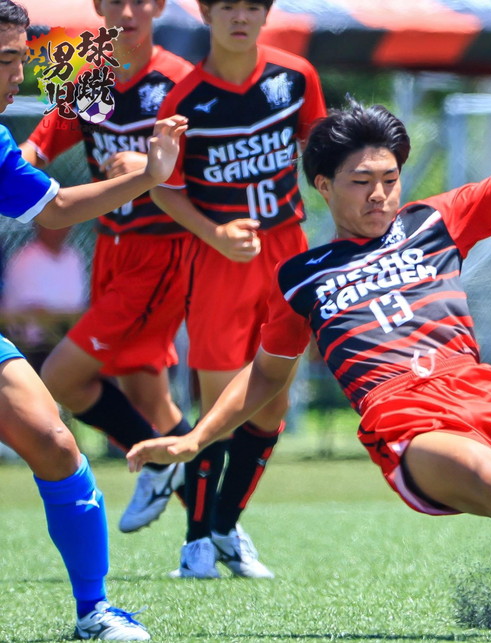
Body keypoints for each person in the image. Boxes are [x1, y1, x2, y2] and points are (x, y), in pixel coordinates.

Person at [129, 23, 491, 635]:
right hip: (405, 412)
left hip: (483, 390)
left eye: (389, 180)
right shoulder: (301, 276)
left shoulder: (436, 221)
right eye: (361, 182)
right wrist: (197, 438)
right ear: (323, 185)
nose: (380, 195)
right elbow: (264, 377)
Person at [0, 0, 187, 637]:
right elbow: (48, 140)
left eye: (20, 60)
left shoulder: (180, 80)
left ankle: (96, 609)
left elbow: (53, 207)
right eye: (6, 61)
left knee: (57, 437)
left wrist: (152, 174)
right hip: (123, 262)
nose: (18, 76)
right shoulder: (90, 77)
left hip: (159, 258)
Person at [149, 0, 327, 579]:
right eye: (227, 6)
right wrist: (215, 233)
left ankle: (225, 527)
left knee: (273, 403)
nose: (240, 17)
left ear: (267, 13)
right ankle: (195, 543)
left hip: (288, 252)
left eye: (252, 6)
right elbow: (163, 187)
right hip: (220, 260)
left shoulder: (296, 76)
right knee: (219, 406)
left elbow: (326, 155)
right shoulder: (183, 99)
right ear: (206, 12)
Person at [2, 222, 87, 370]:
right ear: (39, 226)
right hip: (36, 348)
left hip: (70, 340)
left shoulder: (74, 258)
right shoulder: (25, 259)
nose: (60, 228)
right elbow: (32, 311)